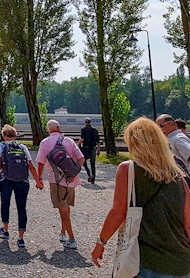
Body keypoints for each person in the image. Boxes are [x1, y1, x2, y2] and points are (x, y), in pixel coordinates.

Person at [91, 117, 190, 276]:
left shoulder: (129, 170)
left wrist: (101, 243)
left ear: (134, 143)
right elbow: (188, 224)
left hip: (145, 262)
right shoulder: (179, 176)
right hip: (180, 263)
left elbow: (117, 213)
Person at [36, 119, 85, 250]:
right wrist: (73, 173)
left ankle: (72, 239)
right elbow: (81, 158)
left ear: (48, 130)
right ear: (59, 128)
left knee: (62, 209)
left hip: (56, 180)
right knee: (66, 207)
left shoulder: (45, 143)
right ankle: (63, 233)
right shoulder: (68, 141)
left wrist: (39, 179)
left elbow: (40, 163)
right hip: (71, 180)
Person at [0, 124, 44, 248]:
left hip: (6, 180)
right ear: (15, 136)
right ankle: (21, 238)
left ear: (3, 136)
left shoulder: (1, 146)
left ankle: (5, 231)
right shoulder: (22, 147)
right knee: (21, 208)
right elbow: (31, 166)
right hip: (22, 181)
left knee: (5, 204)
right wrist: (38, 181)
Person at [157, 114, 190, 179]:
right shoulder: (173, 139)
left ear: (171, 124)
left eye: (161, 126)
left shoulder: (178, 138)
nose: (160, 129)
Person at [77, 117, 100, 183]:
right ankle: (93, 178)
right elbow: (98, 142)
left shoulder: (83, 130)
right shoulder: (95, 130)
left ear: (85, 122)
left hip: (86, 148)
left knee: (84, 162)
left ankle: (89, 173)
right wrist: (98, 150)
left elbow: (82, 139)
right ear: (90, 122)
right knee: (93, 164)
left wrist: (78, 144)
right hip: (93, 148)